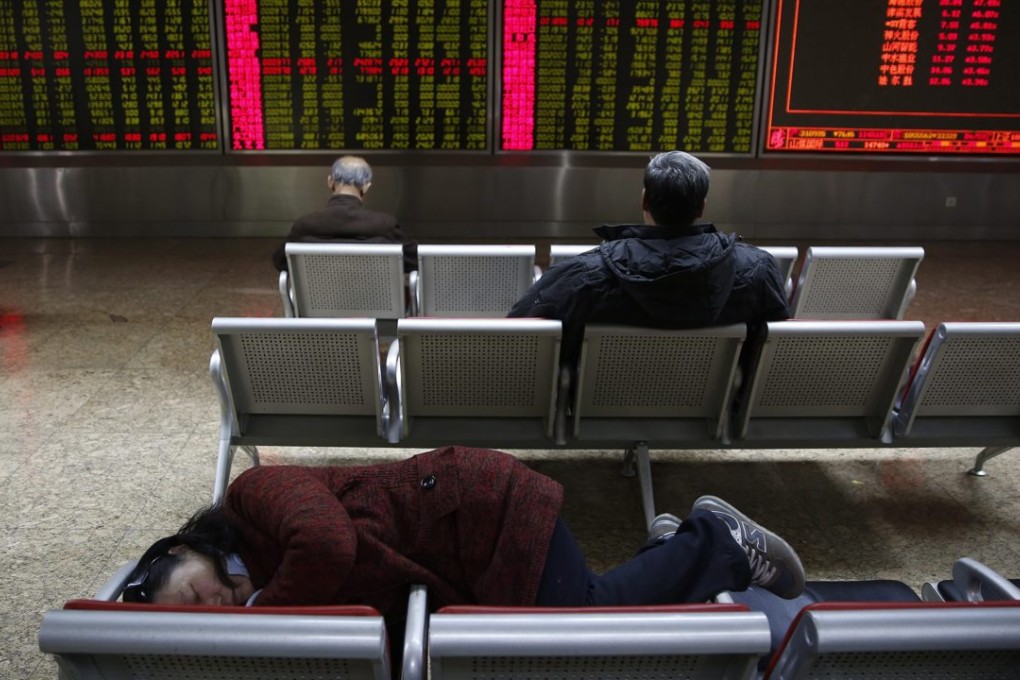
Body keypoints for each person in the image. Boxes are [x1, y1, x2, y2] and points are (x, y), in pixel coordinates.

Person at [124, 447, 804, 622]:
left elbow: (330, 545)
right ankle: (667, 549)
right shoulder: (265, 581)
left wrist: (257, 623)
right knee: (573, 617)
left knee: (577, 626)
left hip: (482, 508)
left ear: (188, 551)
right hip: (461, 545)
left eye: (193, 594)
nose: (213, 607)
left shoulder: (253, 496)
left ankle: (715, 542)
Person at [508, 150, 790, 370]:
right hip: (709, 410)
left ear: (644, 200)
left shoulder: (582, 275)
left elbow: (518, 330)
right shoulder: (757, 270)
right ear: (701, 207)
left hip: (595, 408)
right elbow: (771, 347)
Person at [271, 155, 417, 273]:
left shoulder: (305, 225)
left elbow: (280, 261)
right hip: (375, 306)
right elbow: (414, 261)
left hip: (320, 306)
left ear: (330, 182)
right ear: (366, 187)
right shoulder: (384, 225)